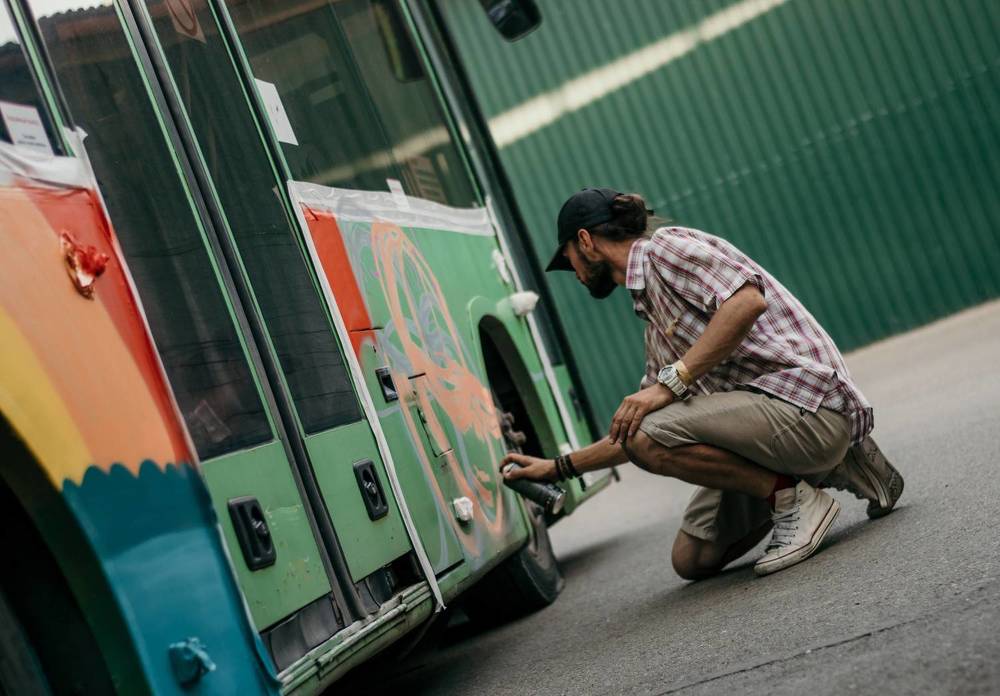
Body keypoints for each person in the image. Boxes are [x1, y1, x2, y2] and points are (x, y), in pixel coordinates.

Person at [501, 187, 904, 578]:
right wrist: (557, 468)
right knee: (691, 559)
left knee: (649, 429)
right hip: (774, 420)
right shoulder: (654, 315)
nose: (572, 271)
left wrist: (673, 380)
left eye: (568, 257)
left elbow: (746, 301)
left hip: (807, 405)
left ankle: (797, 496)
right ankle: (835, 465)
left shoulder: (664, 249)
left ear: (586, 241)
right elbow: (631, 429)